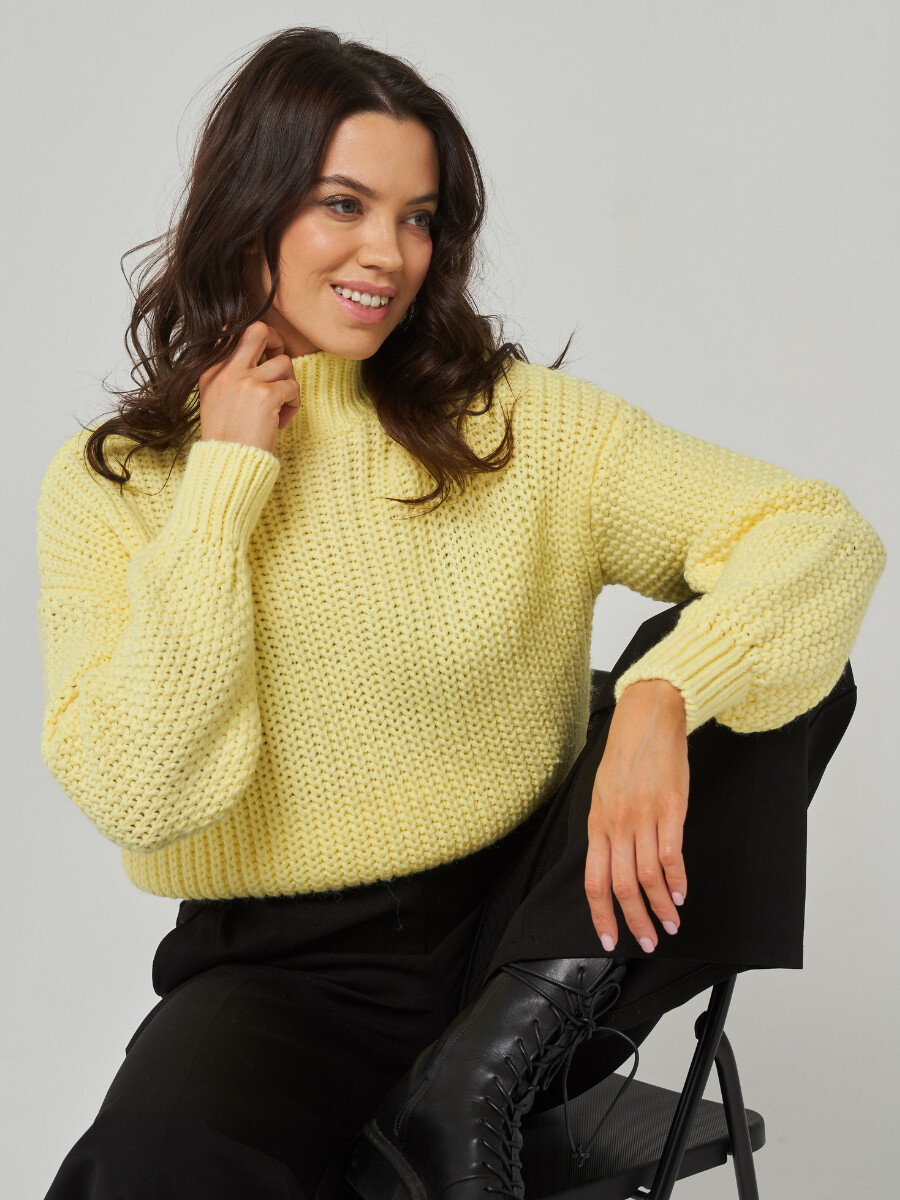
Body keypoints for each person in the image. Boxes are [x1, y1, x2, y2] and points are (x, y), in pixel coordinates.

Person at [37, 26, 885, 1200]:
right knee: (151, 1165)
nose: (388, 253)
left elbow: (820, 535)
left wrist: (661, 696)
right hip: (282, 976)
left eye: (419, 218)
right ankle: (439, 1110)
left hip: (538, 942)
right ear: (252, 207)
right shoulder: (118, 483)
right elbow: (143, 793)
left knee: (774, 668)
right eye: (345, 204)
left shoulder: (518, 424)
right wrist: (224, 485)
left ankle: (474, 1083)